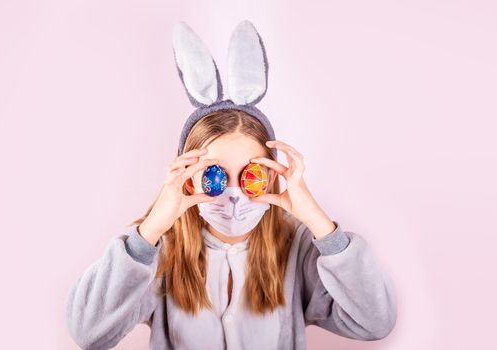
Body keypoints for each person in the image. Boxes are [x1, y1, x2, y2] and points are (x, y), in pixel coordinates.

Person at [65, 21, 397, 350]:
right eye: (214, 175)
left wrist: (319, 223)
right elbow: (89, 333)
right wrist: (149, 231)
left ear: (271, 174)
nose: (234, 194)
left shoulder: (298, 248)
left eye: (251, 174)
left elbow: (375, 322)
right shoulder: (158, 250)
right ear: (187, 173)